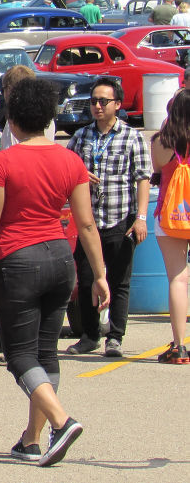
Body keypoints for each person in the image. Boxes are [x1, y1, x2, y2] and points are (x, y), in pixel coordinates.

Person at [0, 77, 109, 467]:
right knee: (46, 352)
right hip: (61, 258)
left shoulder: (3, 161)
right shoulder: (70, 160)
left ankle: (61, 421)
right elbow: (87, 224)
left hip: (19, 262)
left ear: (14, 121)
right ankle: (31, 439)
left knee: (20, 357)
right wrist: (100, 274)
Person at [64, 76, 150, 358]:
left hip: (120, 220)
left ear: (117, 104)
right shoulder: (82, 136)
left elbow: (143, 179)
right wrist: (77, 174)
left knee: (118, 281)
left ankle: (115, 337)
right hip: (89, 223)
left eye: (103, 101)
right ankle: (90, 335)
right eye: (93, 101)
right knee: (87, 279)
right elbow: (63, 169)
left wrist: (141, 217)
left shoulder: (132, 136)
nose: (97, 106)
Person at [148, 88, 190, 364]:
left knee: (178, 278)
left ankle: (180, 346)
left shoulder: (162, 142)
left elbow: (156, 170)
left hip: (171, 214)